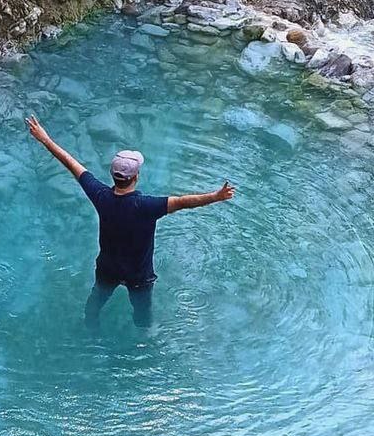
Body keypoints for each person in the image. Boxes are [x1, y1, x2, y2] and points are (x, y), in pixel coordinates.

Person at [26, 115, 235, 327]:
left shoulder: (101, 196)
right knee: (143, 315)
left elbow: (72, 164)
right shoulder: (147, 206)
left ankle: (90, 326)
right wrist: (215, 196)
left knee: (96, 302)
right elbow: (183, 202)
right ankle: (143, 340)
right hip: (139, 276)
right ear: (136, 177)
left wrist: (45, 138)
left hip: (108, 269)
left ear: (112, 175)